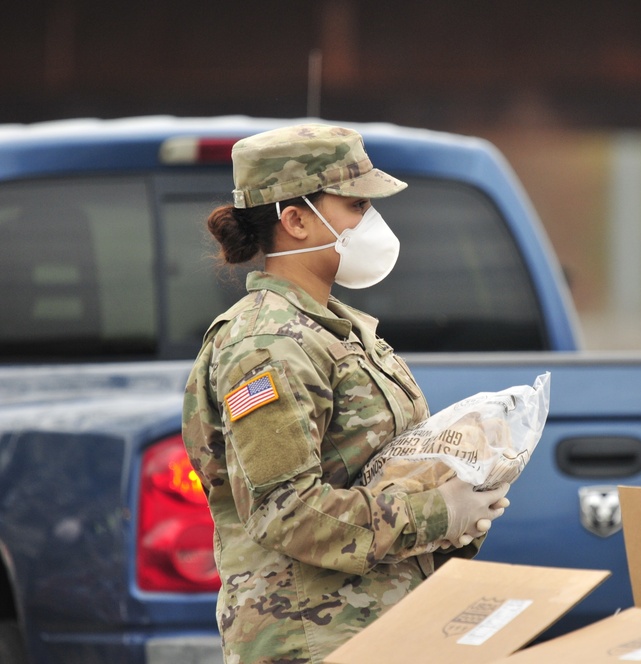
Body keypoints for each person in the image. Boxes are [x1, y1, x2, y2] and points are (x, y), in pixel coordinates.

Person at [181, 123, 510, 663]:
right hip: (312, 641)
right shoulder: (268, 344)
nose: (371, 221)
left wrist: (462, 495)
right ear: (295, 220)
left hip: (377, 630)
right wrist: (434, 515)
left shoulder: (335, 328)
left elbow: (374, 469)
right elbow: (286, 511)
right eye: (356, 206)